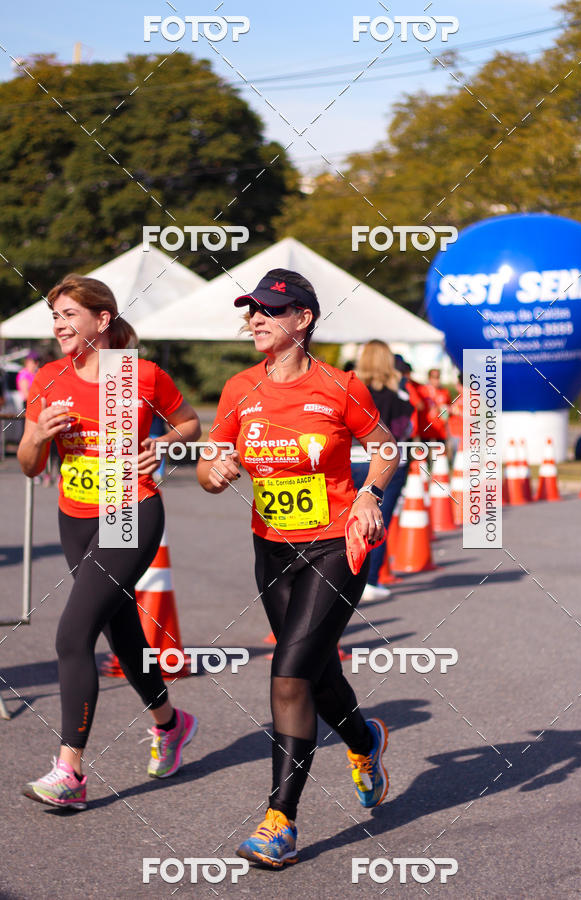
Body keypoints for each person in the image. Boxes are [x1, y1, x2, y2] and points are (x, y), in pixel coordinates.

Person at [197, 268, 398, 868]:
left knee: (287, 676)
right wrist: (214, 472)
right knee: (310, 671)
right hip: (272, 550)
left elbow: (386, 446)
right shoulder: (239, 389)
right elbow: (210, 464)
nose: (255, 318)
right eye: (251, 310)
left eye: (269, 310)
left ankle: (279, 821)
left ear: (302, 319)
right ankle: (364, 740)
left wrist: (369, 494)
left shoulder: (340, 387)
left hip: (336, 544)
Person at [17, 274, 200, 811]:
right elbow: (30, 468)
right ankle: (170, 723)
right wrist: (34, 436)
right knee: (121, 631)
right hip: (74, 518)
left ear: (102, 320)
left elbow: (188, 421)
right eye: (54, 314)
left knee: (73, 635)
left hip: (129, 511)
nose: (58, 323)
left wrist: (164, 442)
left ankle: (69, 770)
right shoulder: (48, 379)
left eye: (70, 313)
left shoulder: (140, 376)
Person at [351, 341, 413, 601]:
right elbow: (404, 432)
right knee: (377, 522)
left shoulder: (350, 392)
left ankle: (344, 577)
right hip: (388, 463)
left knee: (348, 521)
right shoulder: (400, 397)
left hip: (350, 459)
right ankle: (370, 580)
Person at [421, 367, 451, 445]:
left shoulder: (444, 392)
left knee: (440, 455)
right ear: (429, 378)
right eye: (434, 377)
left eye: (438, 377)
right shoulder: (422, 391)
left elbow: (448, 409)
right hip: (426, 430)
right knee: (424, 454)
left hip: (440, 430)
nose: (436, 380)